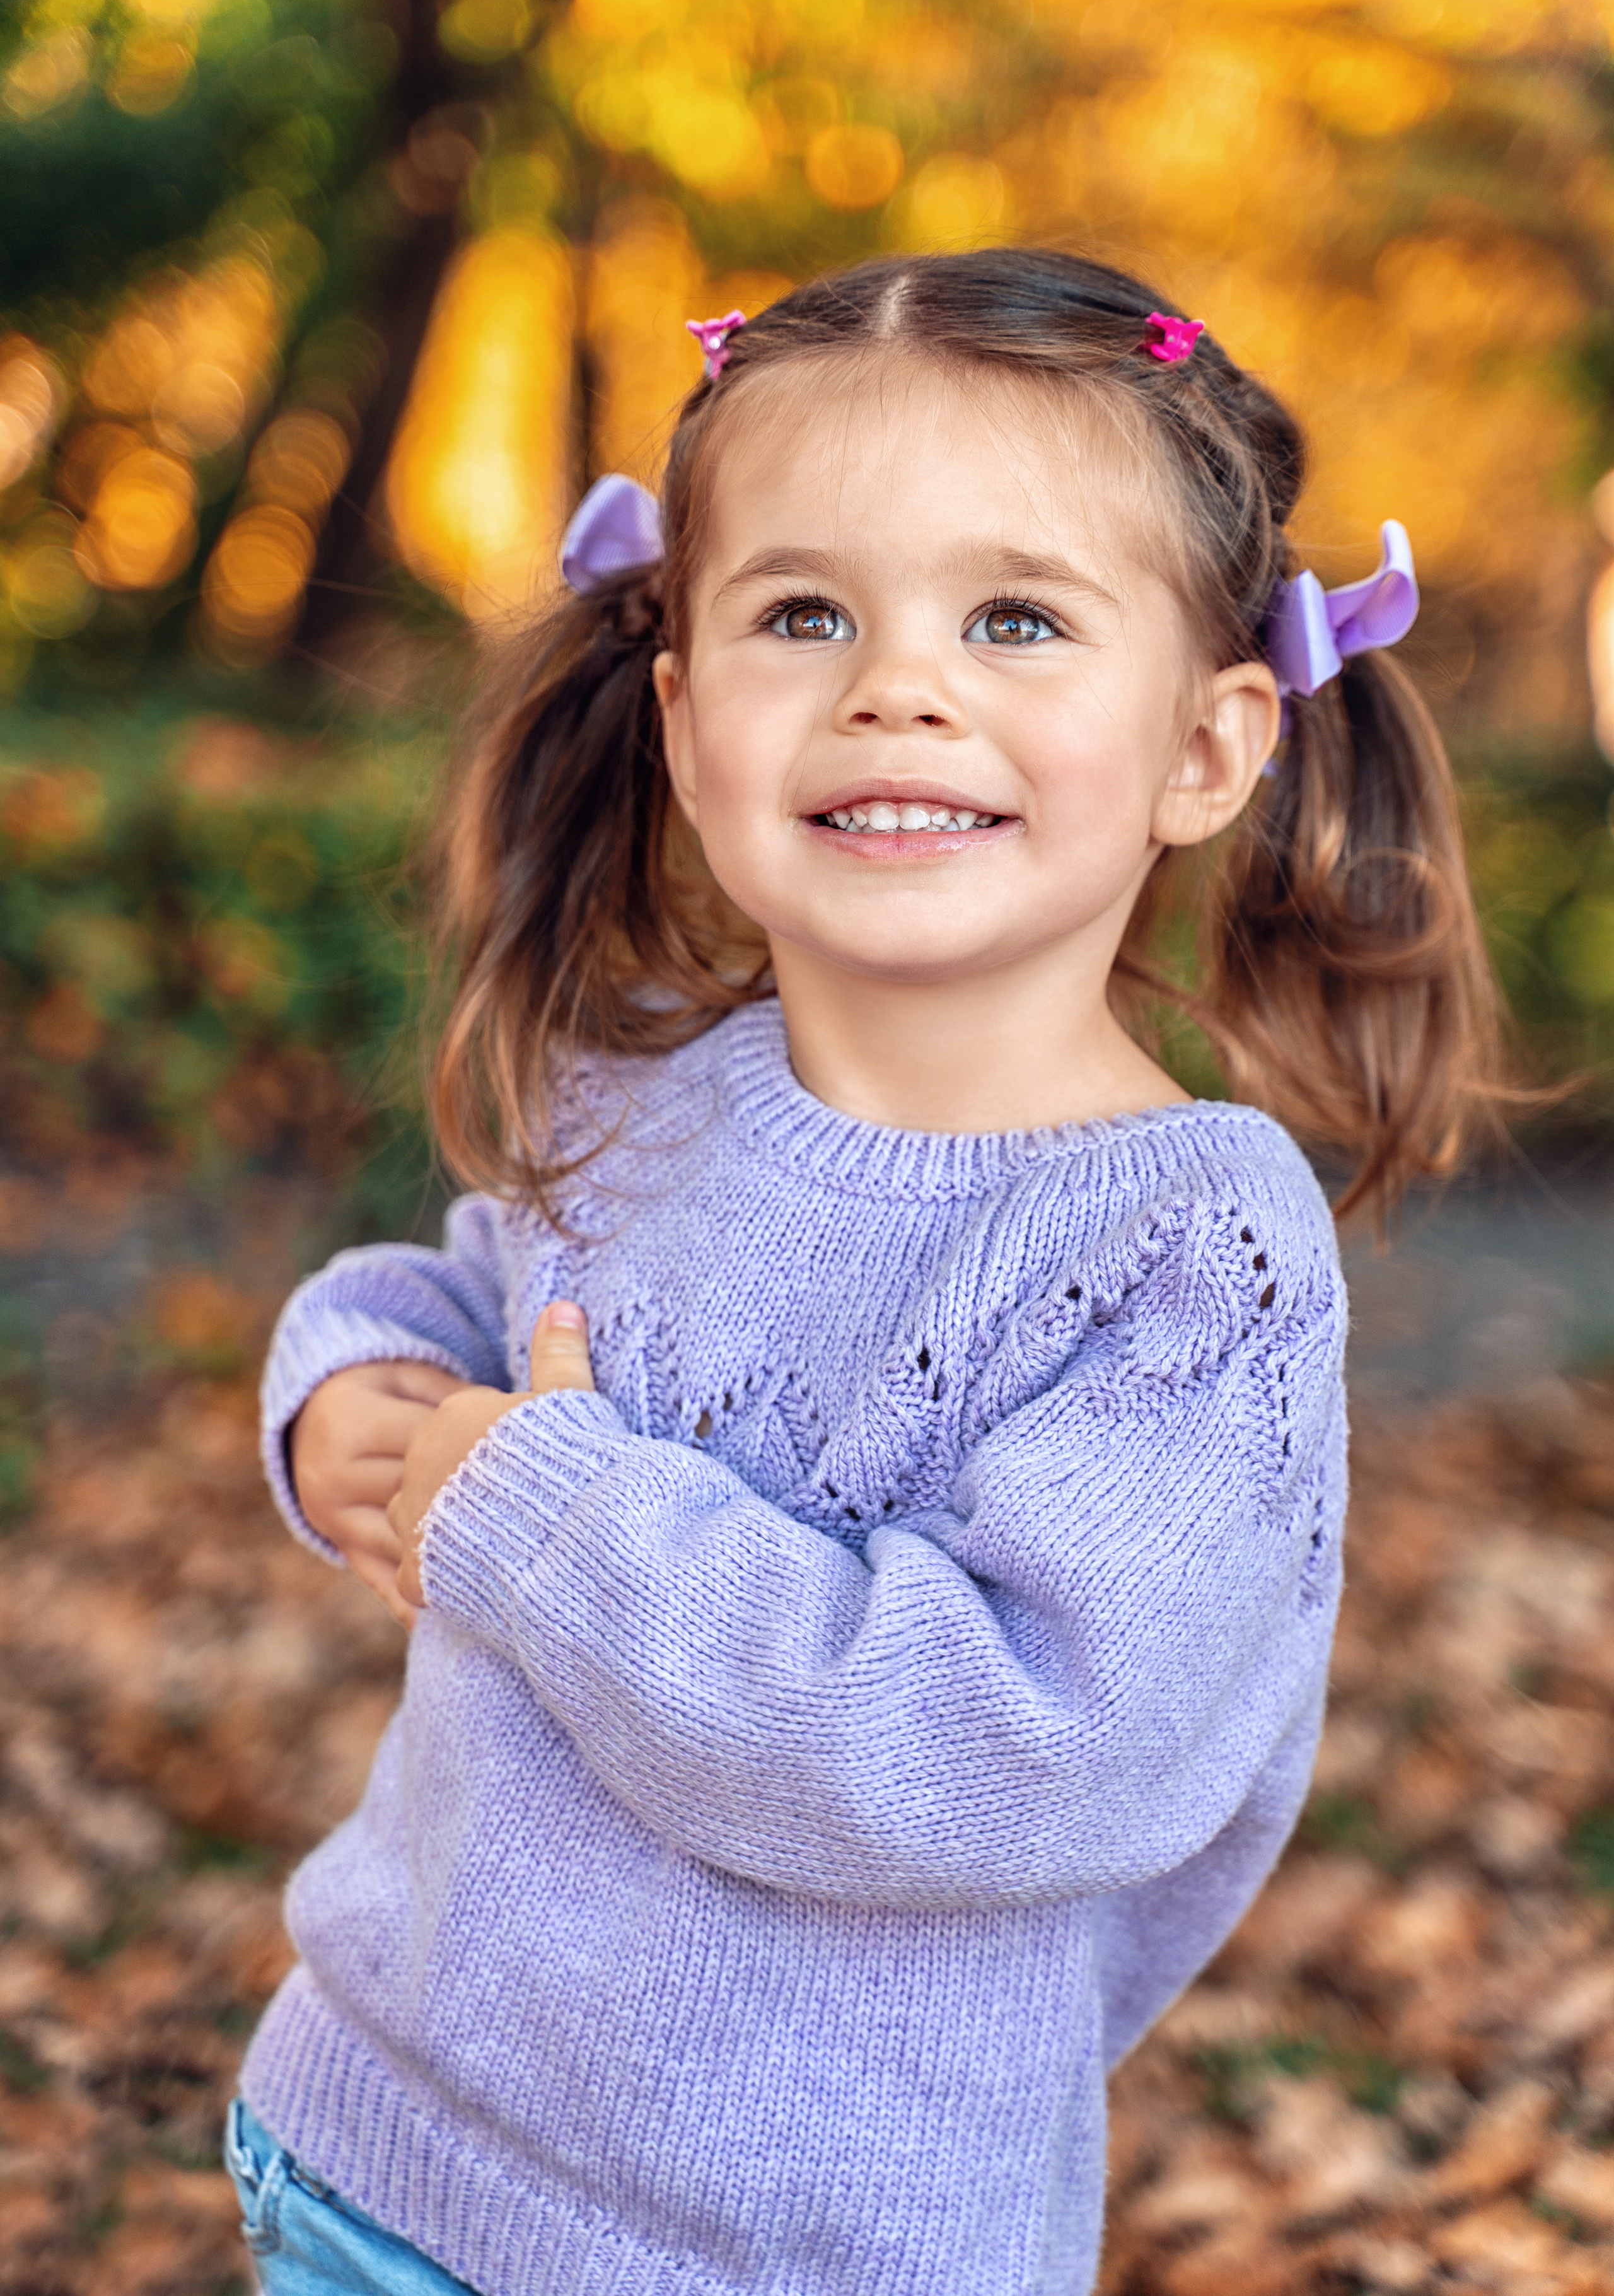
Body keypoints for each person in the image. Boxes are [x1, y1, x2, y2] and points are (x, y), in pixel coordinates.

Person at [224, 249, 1506, 2296]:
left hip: (791, 2248)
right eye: (803, 612)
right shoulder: (642, 1091)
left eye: (1016, 618)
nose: (898, 686)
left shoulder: (1186, 1253)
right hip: (376, 2149)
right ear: (682, 717)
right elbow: (466, 1309)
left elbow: (1018, 1746)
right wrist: (352, 1392)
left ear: (1210, 743)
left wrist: (542, 1515)